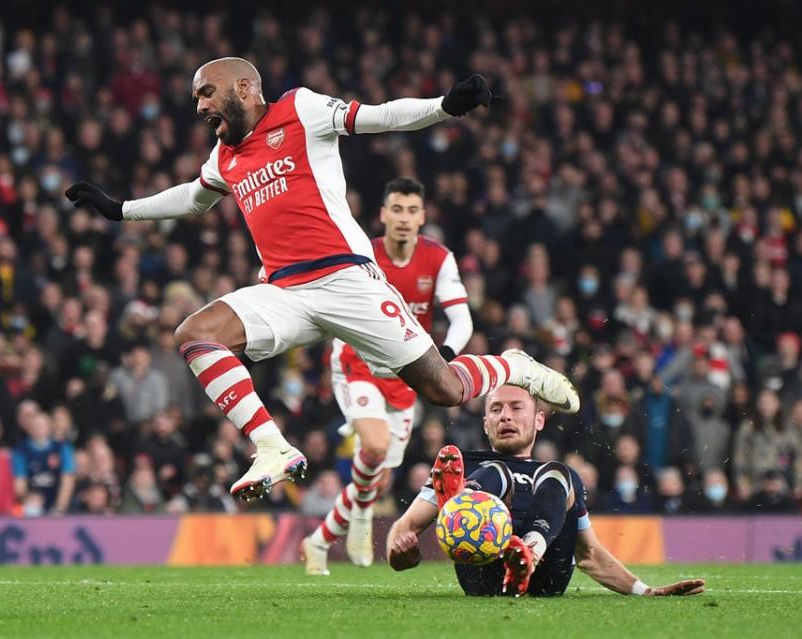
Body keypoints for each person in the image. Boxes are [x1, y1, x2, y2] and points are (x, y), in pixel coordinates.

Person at [66, 57, 579, 501]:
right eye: (195, 97)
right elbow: (193, 196)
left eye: (206, 92)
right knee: (194, 334)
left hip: (347, 280)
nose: (199, 106)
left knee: (444, 390)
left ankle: (512, 365)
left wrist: (443, 106)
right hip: (286, 291)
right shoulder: (224, 157)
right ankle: (272, 447)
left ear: (244, 88)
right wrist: (120, 211)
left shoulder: (301, 110)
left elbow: (379, 118)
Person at [302, 176, 474, 574]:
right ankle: (361, 518)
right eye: (396, 209)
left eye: (412, 210)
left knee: (374, 469)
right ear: (382, 215)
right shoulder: (363, 253)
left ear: (422, 217)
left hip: (407, 373)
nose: (403, 218)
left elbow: (461, 319)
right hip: (357, 359)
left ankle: (319, 540)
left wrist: (441, 361)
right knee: (375, 448)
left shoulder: (439, 259)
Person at [386, 385, 705, 598]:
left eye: (515, 408)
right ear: (485, 424)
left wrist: (647, 591)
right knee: (496, 471)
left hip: (546, 576)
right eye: (495, 409)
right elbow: (403, 532)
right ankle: (469, 509)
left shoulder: (562, 478)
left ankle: (526, 550)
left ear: (539, 420)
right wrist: (403, 554)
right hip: (484, 572)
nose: (505, 416)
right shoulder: (460, 463)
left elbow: (589, 555)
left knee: (559, 473)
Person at [11, 411, 76, 515]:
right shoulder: (21, 450)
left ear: (49, 427)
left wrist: (60, 507)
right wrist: (28, 501)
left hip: (56, 505)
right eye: (35, 425)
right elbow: (20, 482)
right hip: (32, 506)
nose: (39, 428)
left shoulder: (62, 447)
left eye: (42, 425)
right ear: (29, 428)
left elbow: (68, 479)